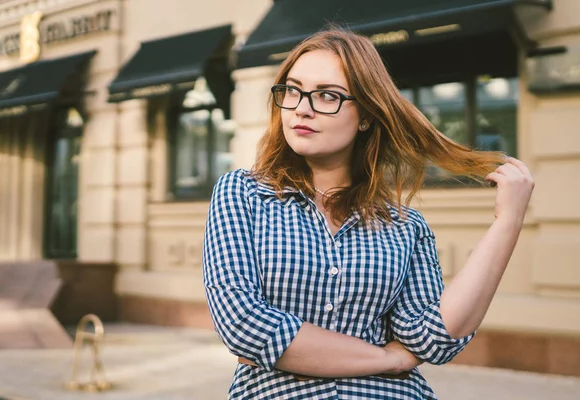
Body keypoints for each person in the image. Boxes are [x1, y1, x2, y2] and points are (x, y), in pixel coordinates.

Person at [202, 28, 534, 400]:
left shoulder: (404, 225)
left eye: (327, 95)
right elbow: (244, 326)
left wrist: (507, 224)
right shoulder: (243, 194)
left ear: (366, 116)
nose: (302, 107)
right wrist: (390, 359)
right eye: (292, 90)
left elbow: (434, 340)